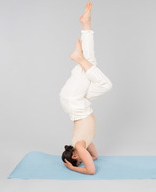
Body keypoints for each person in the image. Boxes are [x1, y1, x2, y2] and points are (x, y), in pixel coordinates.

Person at [59, 1, 112, 175]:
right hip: (79, 101)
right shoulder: (85, 144)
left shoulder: (79, 146)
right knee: (91, 63)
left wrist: (72, 167)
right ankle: (86, 24)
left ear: (74, 156)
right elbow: (95, 157)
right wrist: (87, 156)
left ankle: (79, 57)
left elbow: (91, 170)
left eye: (78, 161)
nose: (83, 160)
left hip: (74, 100)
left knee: (104, 82)